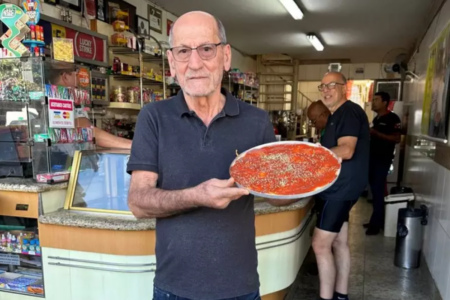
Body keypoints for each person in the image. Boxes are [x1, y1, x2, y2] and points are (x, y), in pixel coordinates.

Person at [126, 11, 297, 300]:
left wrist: (302, 183)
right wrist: (198, 196)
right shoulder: (153, 117)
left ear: (226, 56)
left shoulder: (256, 121)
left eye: (206, 49)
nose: (195, 63)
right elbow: (138, 202)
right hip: (173, 288)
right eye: (183, 51)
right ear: (171, 62)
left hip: (239, 287)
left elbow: (277, 193)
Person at [312, 72, 370, 300]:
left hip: (339, 189)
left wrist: (313, 157)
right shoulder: (337, 115)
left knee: (319, 245)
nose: (326, 90)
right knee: (340, 242)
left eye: (331, 85)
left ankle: (326, 298)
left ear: (344, 87)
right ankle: (341, 295)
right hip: (346, 188)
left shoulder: (348, 112)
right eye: (322, 86)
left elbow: (346, 150)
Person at [47, 67, 131, 149]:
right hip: (68, 158)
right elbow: (89, 132)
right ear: (65, 76)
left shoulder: (51, 97)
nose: (78, 76)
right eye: (75, 72)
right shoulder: (64, 98)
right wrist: (132, 145)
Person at [365, 91, 401, 235]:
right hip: (372, 159)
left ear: (385, 102)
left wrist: (376, 134)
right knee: (374, 191)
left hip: (382, 160)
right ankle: (376, 220)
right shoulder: (377, 118)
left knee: (379, 190)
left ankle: (376, 224)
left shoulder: (392, 118)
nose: (373, 102)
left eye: (376, 100)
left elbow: (397, 138)